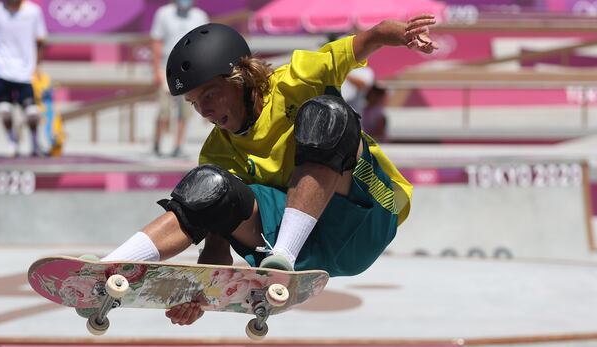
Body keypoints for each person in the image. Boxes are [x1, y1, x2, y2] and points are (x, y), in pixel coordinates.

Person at [101, 16, 438, 325]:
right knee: (209, 185)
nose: (203, 110)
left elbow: (371, 38)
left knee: (326, 113)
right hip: (306, 250)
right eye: (194, 103)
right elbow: (216, 249)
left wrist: (403, 35)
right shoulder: (218, 150)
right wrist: (199, 295)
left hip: (365, 221)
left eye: (210, 95)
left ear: (240, 77)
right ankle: (111, 264)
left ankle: (283, 258)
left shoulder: (298, 78)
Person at [0, 0, 47, 157]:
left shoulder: (33, 11)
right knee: (4, 110)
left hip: (25, 72)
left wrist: (37, 66)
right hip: (1, 71)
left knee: (32, 113)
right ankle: (12, 142)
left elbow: (41, 40)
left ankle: (34, 144)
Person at [150, 0, 209, 158]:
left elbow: (203, 44)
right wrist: (156, 70)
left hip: (189, 71)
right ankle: (157, 143)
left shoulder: (199, 16)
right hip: (166, 68)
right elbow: (157, 42)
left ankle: (177, 145)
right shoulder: (163, 13)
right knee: (164, 111)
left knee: (184, 111)